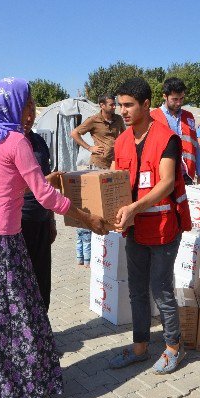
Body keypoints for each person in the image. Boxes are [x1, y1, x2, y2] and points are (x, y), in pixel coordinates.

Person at [0, 78, 109, 398]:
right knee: (18, 316)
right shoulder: (15, 140)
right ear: (8, 107)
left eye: (32, 105)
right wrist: (88, 219)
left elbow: (8, 188)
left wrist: (42, 183)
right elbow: (43, 195)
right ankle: (19, 385)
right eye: (26, 105)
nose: (32, 112)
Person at [108, 78, 192, 374]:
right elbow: (115, 182)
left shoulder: (167, 138)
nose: (123, 111)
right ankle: (140, 347)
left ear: (146, 104)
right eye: (120, 105)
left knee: (161, 289)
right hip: (135, 229)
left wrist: (133, 208)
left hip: (164, 227)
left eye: (129, 104)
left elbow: (167, 183)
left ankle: (173, 346)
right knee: (136, 291)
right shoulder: (121, 141)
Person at [70, 93, 125, 267]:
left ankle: (104, 246)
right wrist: (89, 147)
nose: (114, 107)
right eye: (111, 104)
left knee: (109, 206)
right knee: (95, 205)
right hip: (98, 167)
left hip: (114, 167)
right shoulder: (93, 120)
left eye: (114, 104)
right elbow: (75, 133)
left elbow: (124, 136)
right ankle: (85, 253)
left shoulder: (118, 120)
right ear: (102, 105)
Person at [21, 115, 59, 311]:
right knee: (21, 281)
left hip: (41, 219)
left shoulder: (39, 141)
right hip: (17, 223)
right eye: (23, 110)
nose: (29, 116)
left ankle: (42, 329)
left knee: (42, 279)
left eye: (32, 110)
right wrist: (44, 183)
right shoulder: (8, 142)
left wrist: (52, 221)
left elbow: (49, 187)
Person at [150, 78, 200, 185]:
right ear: (165, 96)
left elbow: (195, 147)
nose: (179, 103)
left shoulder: (189, 117)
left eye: (181, 98)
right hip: (162, 176)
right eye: (175, 99)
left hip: (186, 176)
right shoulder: (153, 117)